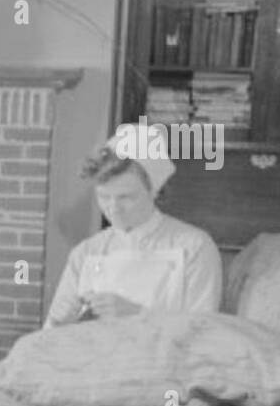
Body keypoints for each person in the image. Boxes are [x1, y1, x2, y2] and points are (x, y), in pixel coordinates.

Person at [44, 123, 222, 328]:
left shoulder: (194, 247)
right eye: (103, 196)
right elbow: (51, 332)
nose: (113, 208)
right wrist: (62, 323)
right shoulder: (86, 252)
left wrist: (138, 314)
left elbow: (204, 332)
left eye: (126, 197)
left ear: (154, 190)